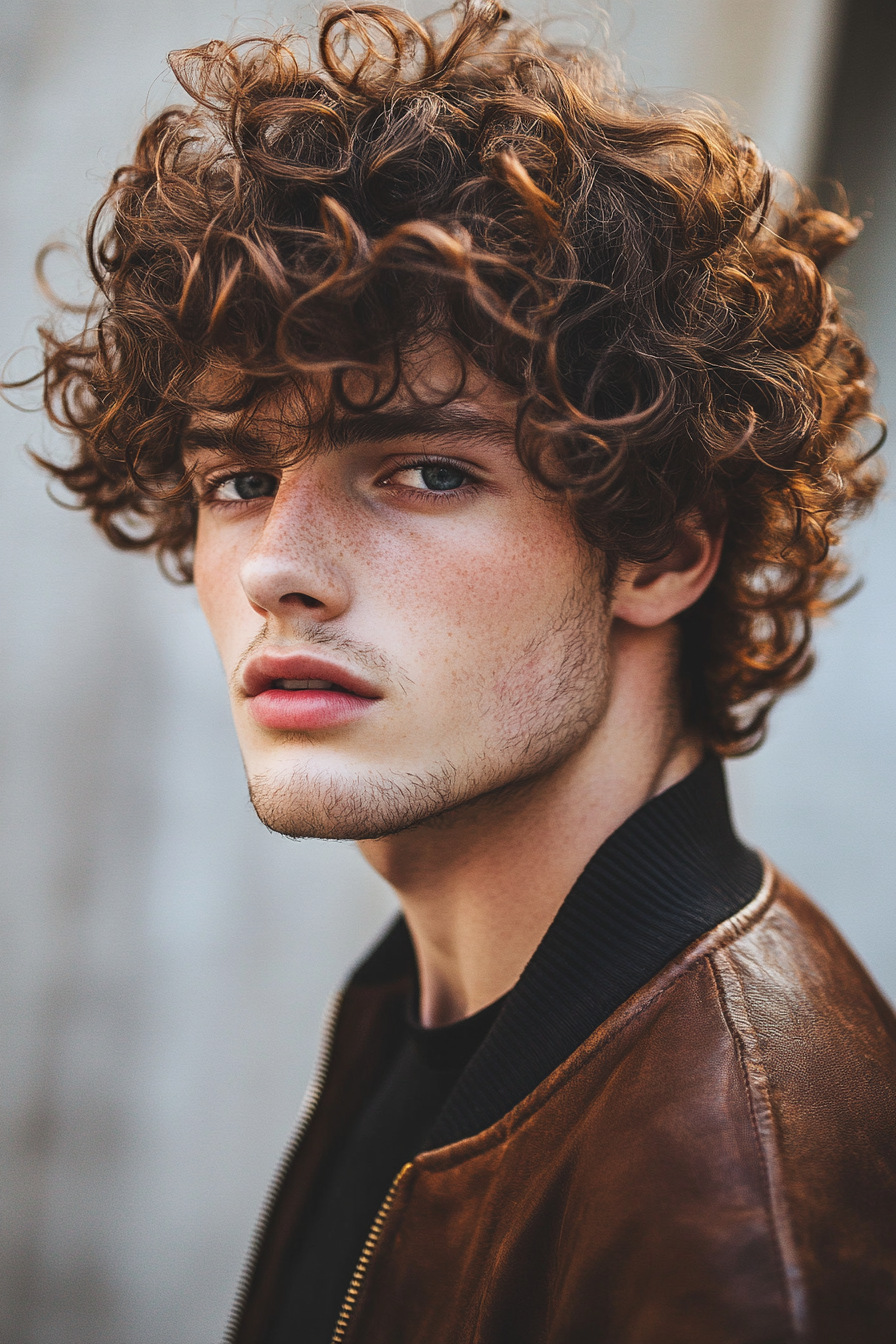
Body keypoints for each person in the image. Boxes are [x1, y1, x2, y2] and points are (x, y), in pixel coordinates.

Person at [23, 2, 896, 1339]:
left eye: (426, 471)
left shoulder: (736, 1203)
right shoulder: (444, 1001)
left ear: (658, 546)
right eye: (241, 479)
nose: (276, 569)